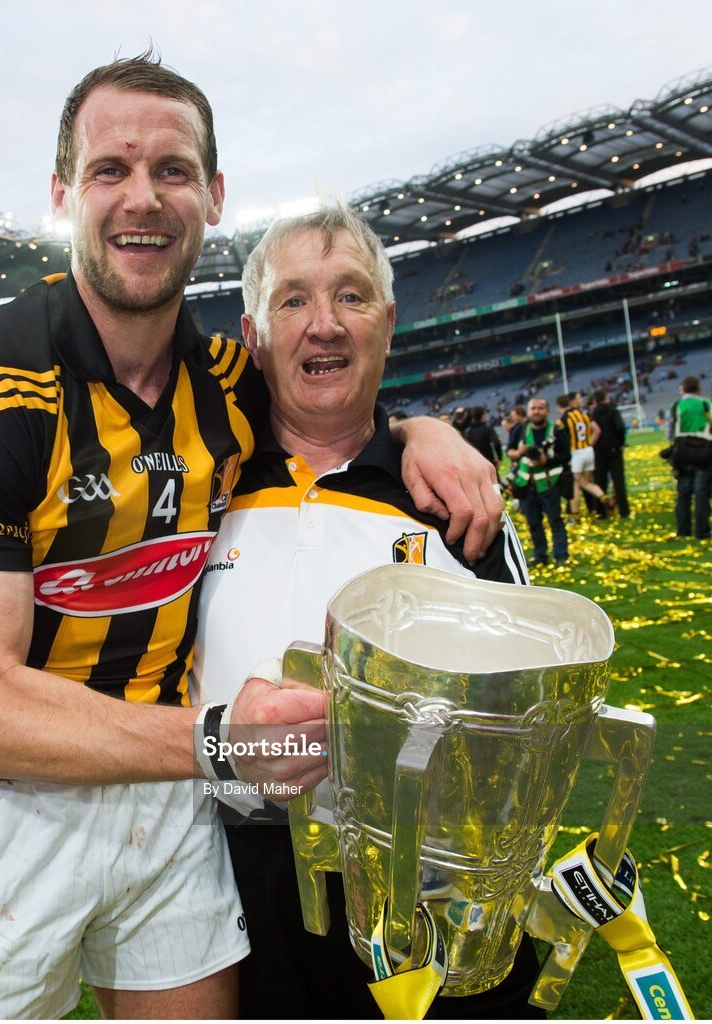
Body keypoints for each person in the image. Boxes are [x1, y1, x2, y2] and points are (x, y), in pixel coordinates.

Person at [0, 51, 503, 1020]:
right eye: (110, 170)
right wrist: (221, 743)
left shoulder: (223, 379)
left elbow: (333, 383)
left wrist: (427, 431)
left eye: (172, 170)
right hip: (6, 800)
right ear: (62, 193)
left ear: (213, 196)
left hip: (170, 801)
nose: (144, 197)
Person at [191, 203, 539, 1019]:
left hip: (428, 885)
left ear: (386, 322)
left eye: (349, 297)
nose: (323, 325)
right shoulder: (200, 495)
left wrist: (420, 430)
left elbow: (529, 713)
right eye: (293, 301)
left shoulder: (451, 501)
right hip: (232, 885)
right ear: (252, 335)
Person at [512, 397, 570, 566]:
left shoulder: (557, 430)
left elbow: (566, 456)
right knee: (534, 524)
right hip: (526, 485)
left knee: (555, 522)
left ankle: (561, 556)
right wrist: (518, 453)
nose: (536, 411)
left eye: (540, 408)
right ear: (528, 411)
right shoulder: (521, 430)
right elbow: (510, 452)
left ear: (547, 411)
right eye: (533, 408)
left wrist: (547, 460)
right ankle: (540, 556)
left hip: (549, 484)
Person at [667, 374, 712, 540]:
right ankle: (702, 532)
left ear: (682, 389)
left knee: (683, 492)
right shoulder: (708, 405)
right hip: (703, 451)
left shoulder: (676, 406)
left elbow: (669, 432)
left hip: (682, 451)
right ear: (699, 388)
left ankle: (683, 531)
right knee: (701, 492)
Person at [556, 392, 606, 519]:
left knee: (575, 485)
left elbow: (558, 437)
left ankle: (575, 515)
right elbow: (597, 430)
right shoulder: (585, 414)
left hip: (575, 453)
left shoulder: (564, 418)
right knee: (586, 482)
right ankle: (604, 498)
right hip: (588, 450)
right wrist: (589, 444)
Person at [590, 388, 629, 517]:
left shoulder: (592, 414)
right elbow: (620, 427)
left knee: (600, 481)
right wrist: (620, 442)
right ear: (606, 397)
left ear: (595, 400)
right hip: (614, 449)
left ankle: (601, 511)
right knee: (618, 481)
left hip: (598, 451)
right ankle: (624, 511)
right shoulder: (613, 411)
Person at [462, 405, 503, 471]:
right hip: (488, 461)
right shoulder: (487, 428)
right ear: (482, 415)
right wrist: (499, 458)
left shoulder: (467, 431)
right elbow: (496, 443)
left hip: (475, 464)